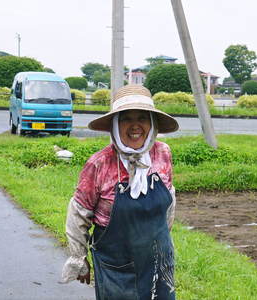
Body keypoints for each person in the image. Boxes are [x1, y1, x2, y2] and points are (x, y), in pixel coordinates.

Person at [61, 85, 179, 300]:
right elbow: (78, 213)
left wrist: (162, 240)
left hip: (159, 261)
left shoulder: (163, 153)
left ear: (152, 124)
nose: (135, 126)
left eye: (142, 118)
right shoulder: (99, 164)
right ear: (115, 124)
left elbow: (169, 201)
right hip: (116, 266)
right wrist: (79, 258)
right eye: (126, 119)